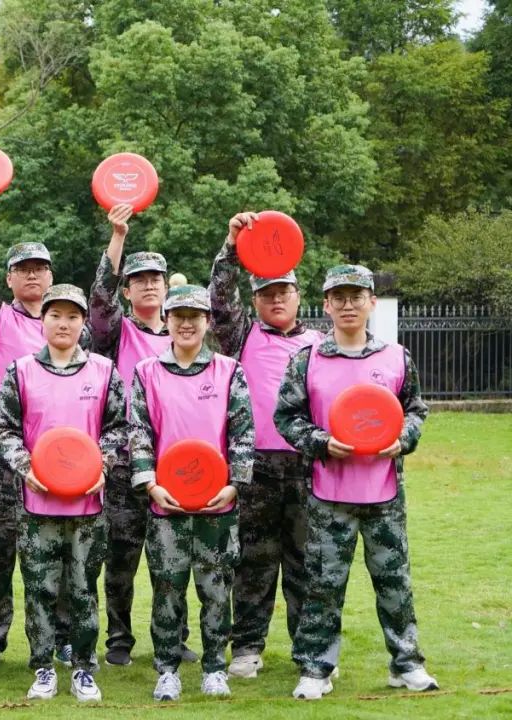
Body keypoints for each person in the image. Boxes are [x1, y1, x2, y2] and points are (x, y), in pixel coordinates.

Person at [275, 264, 437, 700]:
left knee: (394, 581)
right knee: (323, 584)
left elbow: (415, 409)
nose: (348, 305)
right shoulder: (308, 359)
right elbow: (286, 417)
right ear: (326, 305)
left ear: (371, 303)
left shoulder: (396, 357)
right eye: (339, 297)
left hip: (384, 493)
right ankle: (316, 668)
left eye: (357, 296)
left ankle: (406, 663)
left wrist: (404, 439)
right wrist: (321, 442)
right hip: (328, 494)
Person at [0, 189, 89, 670]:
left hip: (63, 456)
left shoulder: (73, 325)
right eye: (22, 269)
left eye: (40, 268)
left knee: (61, 547)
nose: (32, 275)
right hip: (5, 455)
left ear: (51, 276)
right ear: (9, 278)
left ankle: (63, 636)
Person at [0, 284, 127, 702]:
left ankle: (83, 668)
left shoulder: (103, 371)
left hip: (88, 502)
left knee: (84, 588)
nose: (63, 324)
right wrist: (25, 465)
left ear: (83, 322)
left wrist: (104, 464)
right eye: (55, 315)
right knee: (40, 588)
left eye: (72, 316)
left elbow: (120, 428)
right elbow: (2, 427)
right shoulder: (21, 371)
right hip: (38, 502)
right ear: (43, 321)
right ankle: (43, 668)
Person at [208, 212, 324, 678]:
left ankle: (309, 647)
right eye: (267, 293)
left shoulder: (321, 343)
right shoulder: (242, 336)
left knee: (306, 561)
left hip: (307, 465)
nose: (276, 299)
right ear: (255, 300)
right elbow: (219, 300)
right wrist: (231, 246)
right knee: (253, 561)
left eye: (284, 292)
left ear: (298, 295)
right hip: (254, 466)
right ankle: (247, 648)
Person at [129, 284, 255, 702]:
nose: (186, 324)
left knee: (216, 588)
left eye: (194, 316)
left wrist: (235, 484)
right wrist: (150, 484)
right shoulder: (147, 371)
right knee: (167, 588)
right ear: (166, 320)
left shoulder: (228, 370)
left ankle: (215, 667)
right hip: (166, 502)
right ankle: (167, 669)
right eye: (178, 316)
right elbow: (139, 432)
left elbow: (242, 432)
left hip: (217, 503)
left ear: (207, 322)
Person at [87, 203, 196, 667]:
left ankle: (175, 637)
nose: (149, 284)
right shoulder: (114, 333)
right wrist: (118, 238)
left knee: (174, 557)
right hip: (125, 460)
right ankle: (119, 638)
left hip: (175, 461)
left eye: (156, 278)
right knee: (121, 556)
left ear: (166, 286)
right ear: (128, 290)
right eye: (139, 279)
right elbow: (99, 298)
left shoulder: (185, 333)